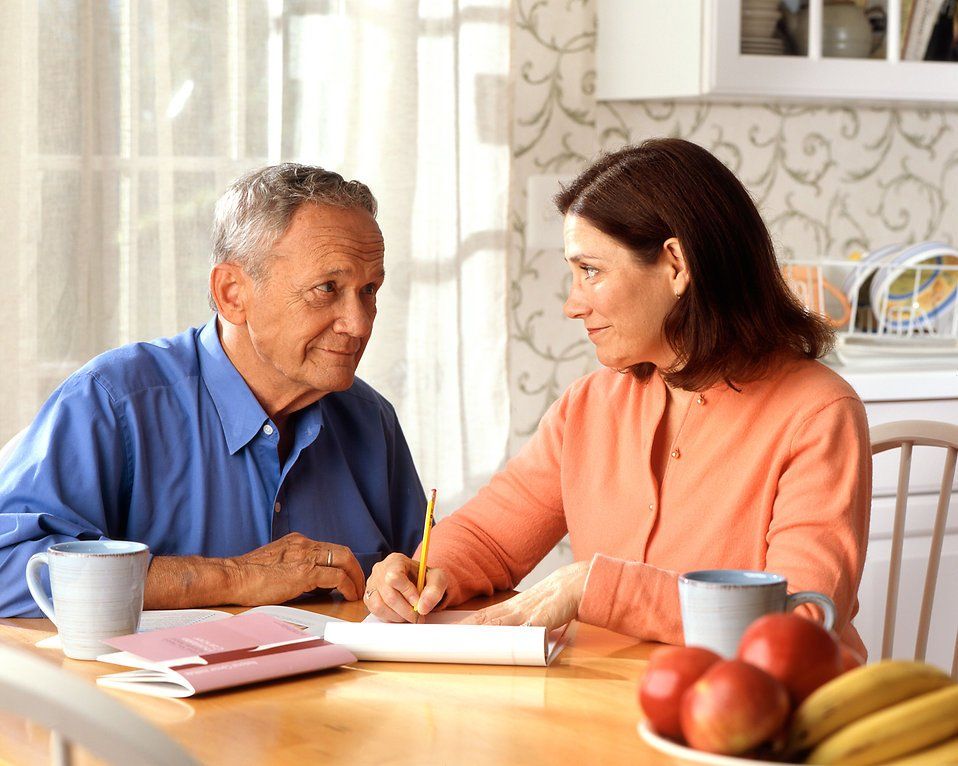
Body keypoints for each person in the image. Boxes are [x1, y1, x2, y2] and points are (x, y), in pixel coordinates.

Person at [365, 138, 871, 655]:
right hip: (614, 700)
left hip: (763, 715)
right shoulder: (589, 405)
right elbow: (491, 537)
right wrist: (423, 572)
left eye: (590, 270)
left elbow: (800, 616)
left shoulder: (818, 413)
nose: (571, 304)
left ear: (675, 265)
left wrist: (595, 587)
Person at [0, 164, 426, 617]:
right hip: (147, 690)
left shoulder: (370, 418)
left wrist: (421, 578)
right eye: (327, 288)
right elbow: (7, 567)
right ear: (232, 294)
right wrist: (232, 576)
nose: (359, 324)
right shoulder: (111, 402)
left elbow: (427, 570)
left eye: (369, 289)